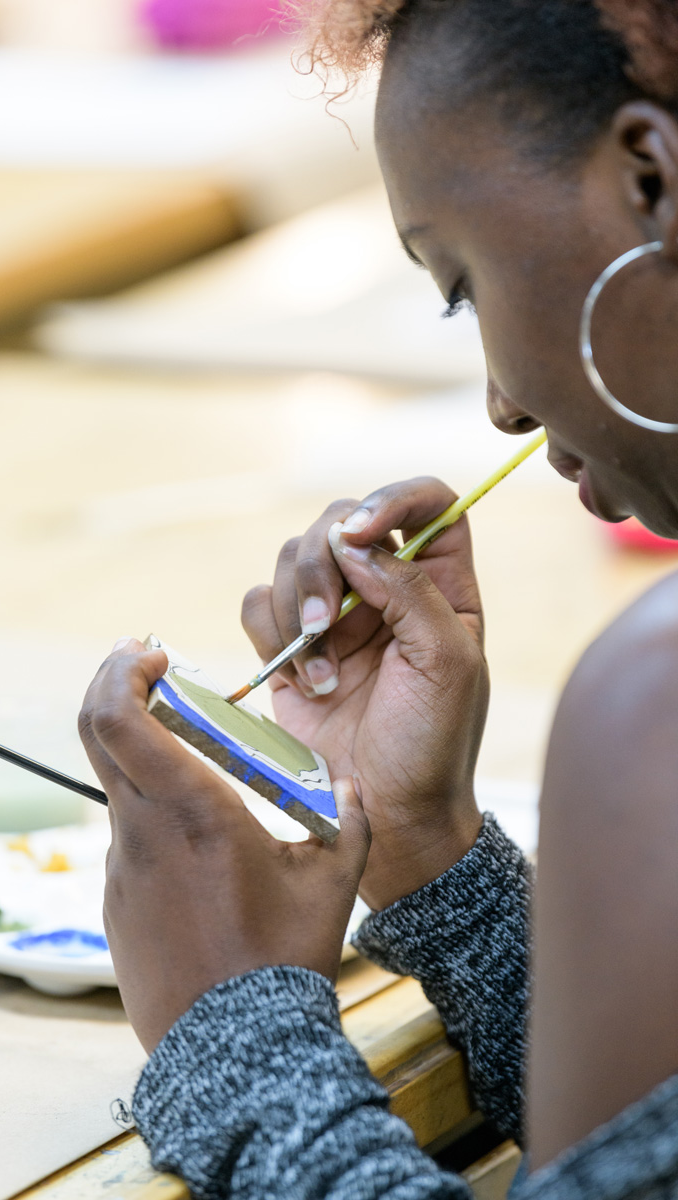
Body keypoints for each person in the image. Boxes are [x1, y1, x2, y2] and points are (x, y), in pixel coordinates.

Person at [77, 1, 678, 1195]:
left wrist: (233, 1033)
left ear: (650, 183)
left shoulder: (653, 708)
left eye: (460, 284)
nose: (501, 404)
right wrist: (427, 852)